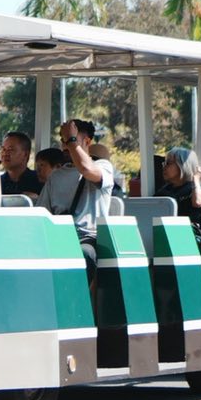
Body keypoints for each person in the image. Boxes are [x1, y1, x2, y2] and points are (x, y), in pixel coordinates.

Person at [50, 118, 116, 283]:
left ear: (86, 141)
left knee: (84, 254)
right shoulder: (56, 176)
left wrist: (71, 141)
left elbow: (87, 170)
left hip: (87, 238)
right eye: (63, 139)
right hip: (58, 235)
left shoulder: (102, 166)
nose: (65, 145)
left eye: (70, 139)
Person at [161, 146, 201, 242]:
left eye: (169, 163)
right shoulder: (164, 191)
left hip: (191, 239)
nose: (164, 167)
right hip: (166, 235)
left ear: (183, 165)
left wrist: (196, 179)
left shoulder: (199, 189)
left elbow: (198, 202)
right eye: (164, 163)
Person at [0, 131, 39, 198]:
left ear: (25, 154)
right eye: (3, 149)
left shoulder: (39, 181)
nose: (5, 154)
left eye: (11, 149)